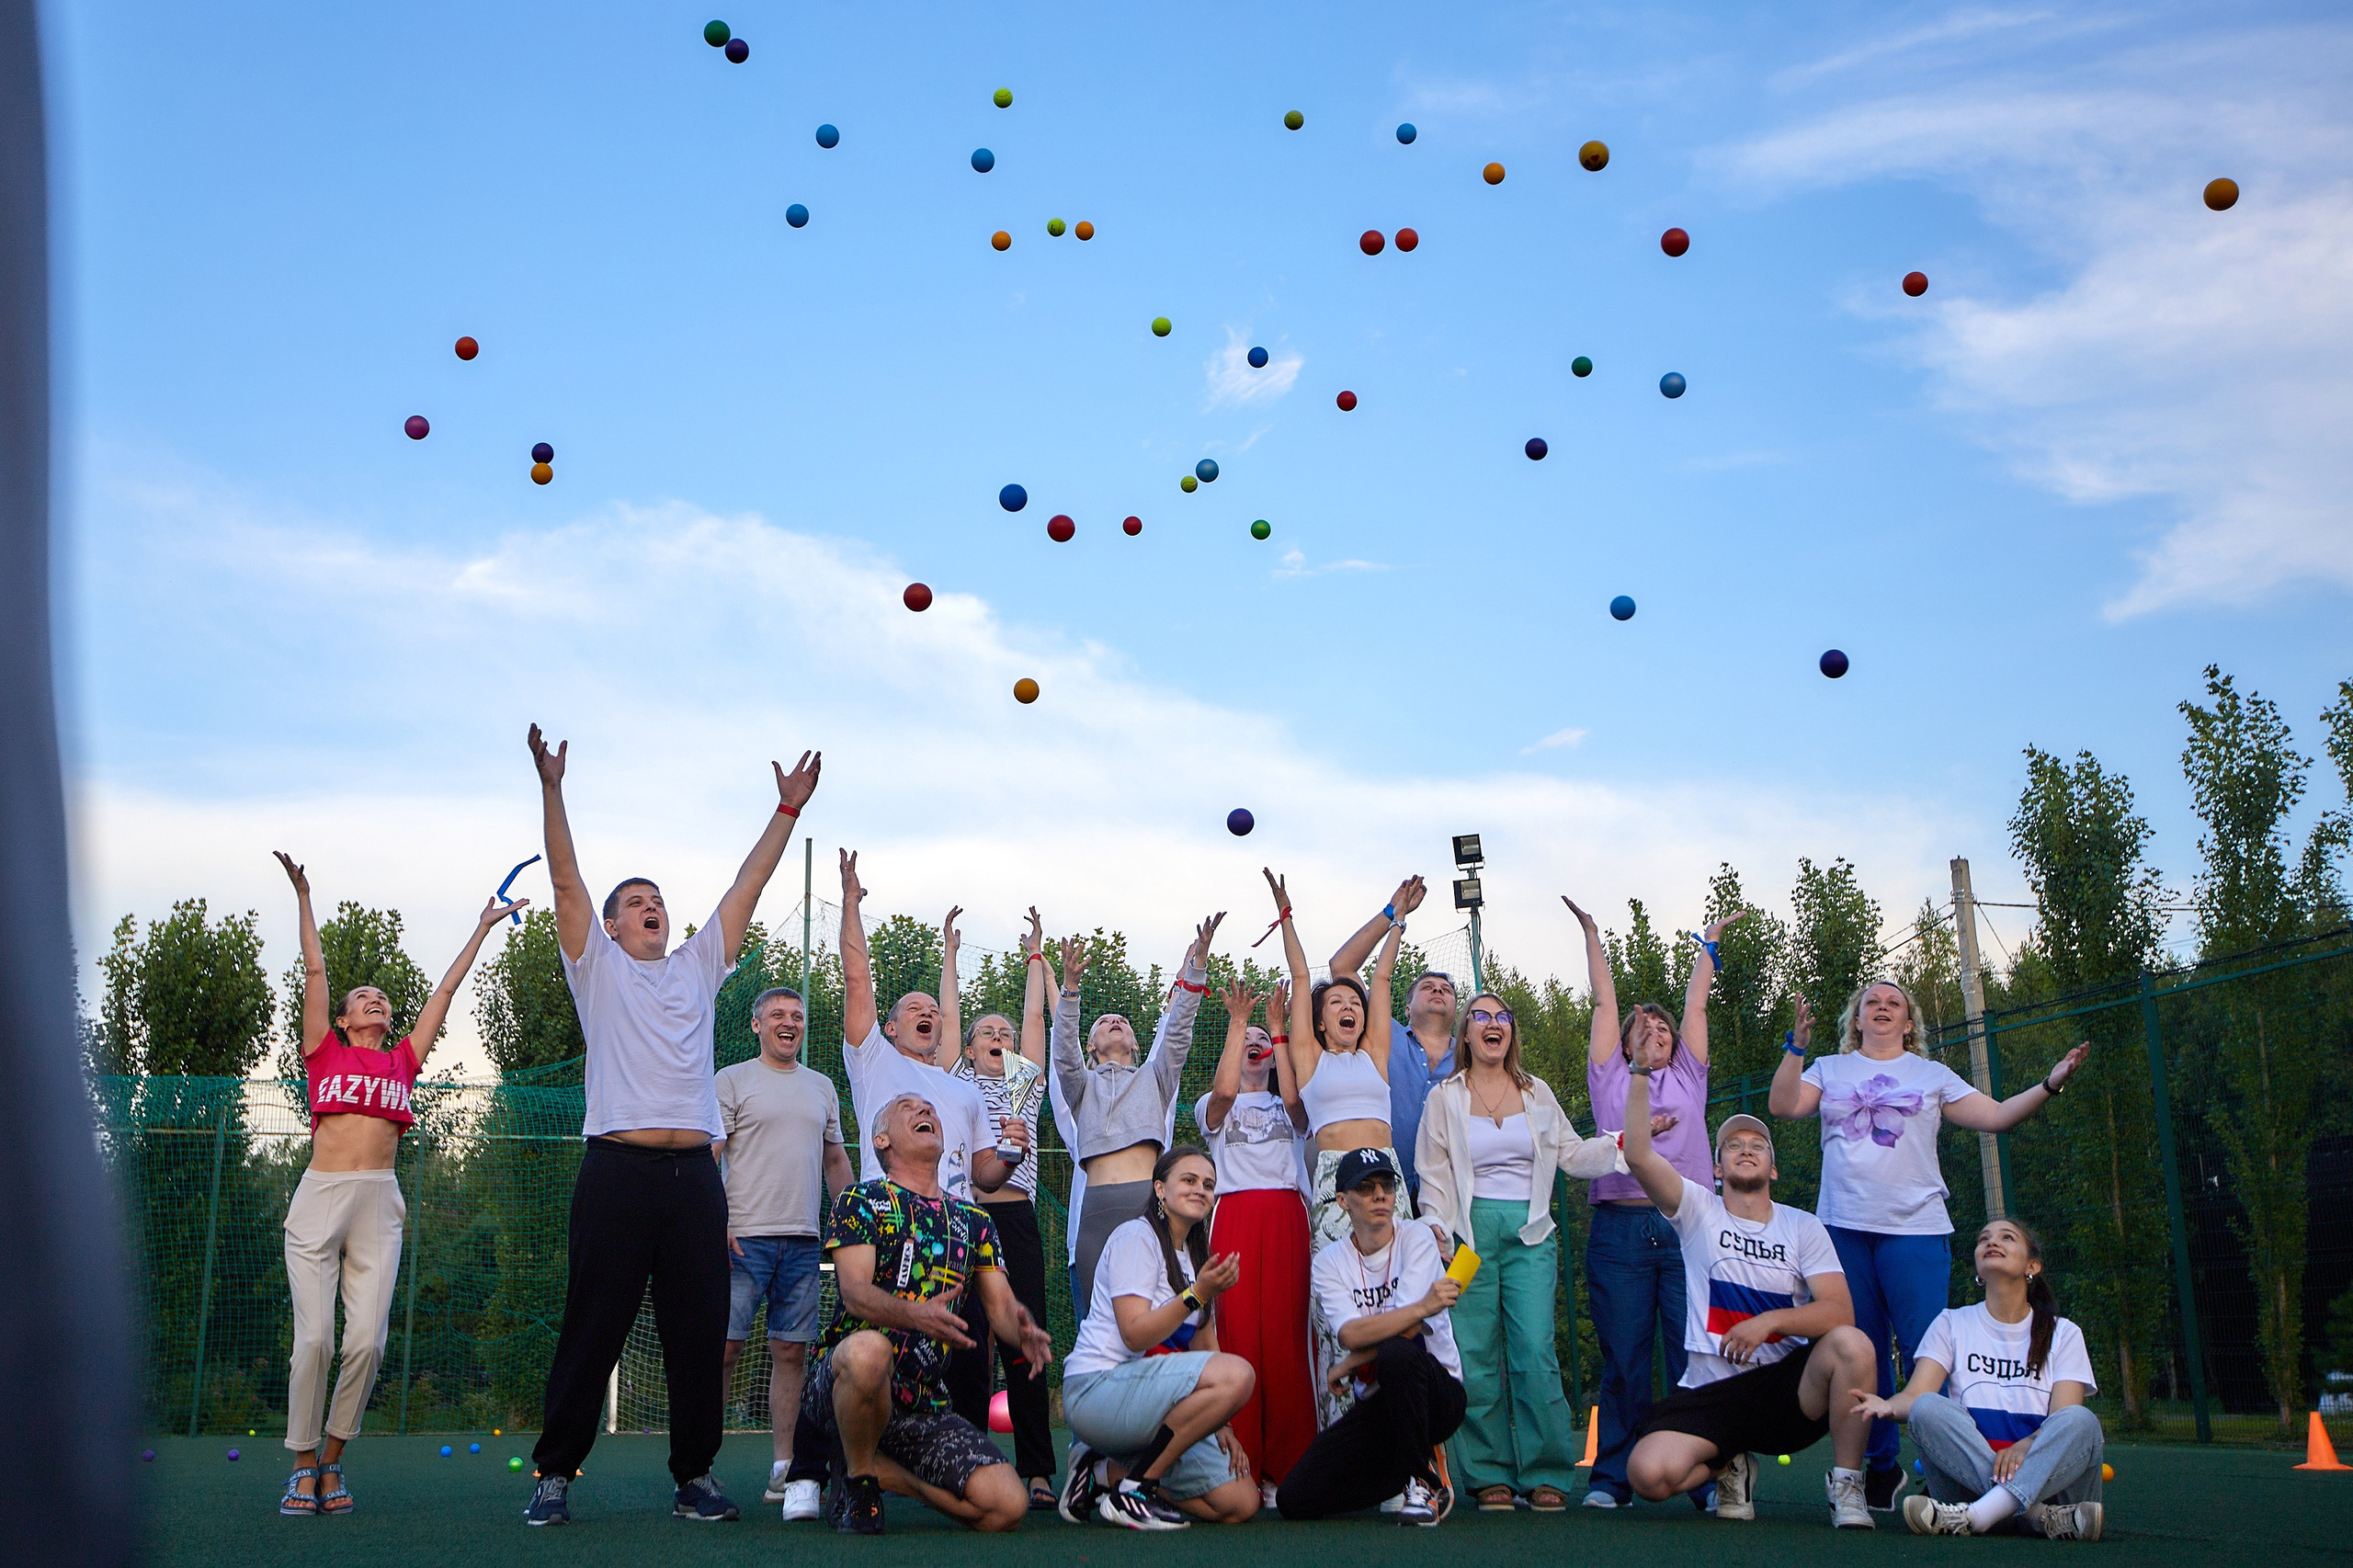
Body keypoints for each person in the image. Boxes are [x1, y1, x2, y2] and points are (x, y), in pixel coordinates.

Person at [521, 726, 822, 1528]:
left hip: (695, 1183)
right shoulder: (596, 966)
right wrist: (553, 788)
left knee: (698, 1338)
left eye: (657, 902)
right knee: (595, 1326)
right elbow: (565, 881)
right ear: (612, 928)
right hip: (616, 1172)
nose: (650, 909)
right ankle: (555, 1472)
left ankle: (695, 1476)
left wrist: (786, 812)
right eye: (635, 904)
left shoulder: (697, 964)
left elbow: (747, 886)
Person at [1768, 980, 2089, 1511]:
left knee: (1927, 1350)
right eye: (1872, 1002)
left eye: (1894, 1003)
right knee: (1859, 1350)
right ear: (1857, 1019)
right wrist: (1795, 1048)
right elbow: (1783, 1105)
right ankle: (1877, 1468)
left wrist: (2051, 1083)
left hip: (1916, 1229)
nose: (1883, 1008)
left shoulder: (1931, 1075)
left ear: (1910, 1022)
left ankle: (1948, 1469)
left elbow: (2000, 1116)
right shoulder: (1829, 1067)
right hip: (1842, 1230)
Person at [272, 853, 520, 1517]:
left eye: (382, 999)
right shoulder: (325, 1050)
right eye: (365, 1000)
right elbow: (316, 971)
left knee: (368, 1342)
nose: (376, 1003)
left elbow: (444, 992)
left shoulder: (403, 1061)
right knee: (316, 1340)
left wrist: (483, 928)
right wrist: (304, 895)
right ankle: (300, 1465)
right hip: (321, 1195)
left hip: (379, 1202)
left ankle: (332, 1460)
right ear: (347, 1019)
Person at [1618, 1064, 1880, 1528]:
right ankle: (1727, 1464)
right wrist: (1639, 1072)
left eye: (1757, 1145)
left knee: (1853, 1344)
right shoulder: (1698, 1209)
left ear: (1773, 1168)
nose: (1745, 1150)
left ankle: (1848, 1486)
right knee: (1647, 1476)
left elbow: (1840, 1311)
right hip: (1712, 1390)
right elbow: (1638, 1154)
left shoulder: (1803, 1226)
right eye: (1733, 1146)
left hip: (1784, 1392)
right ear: (1717, 1168)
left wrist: (1768, 1323)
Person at [1413, 991, 1630, 1512]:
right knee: (1476, 1356)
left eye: (1502, 1016)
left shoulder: (1537, 1094)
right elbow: (1433, 1172)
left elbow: (1574, 1154)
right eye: (1481, 1017)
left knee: (1534, 1350)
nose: (1493, 1024)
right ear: (1466, 1035)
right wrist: (1439, 1230)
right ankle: (1489, 1475)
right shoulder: (1445, 1096)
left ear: (1511, 1031)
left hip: (1531, 1232)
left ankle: (1547, 1470)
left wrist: (1626, 1142)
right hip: (1467, 1236)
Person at [804, 1094, 1055, 1536]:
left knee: (1007, 1507)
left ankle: (878, 1472)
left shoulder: (975, 1220)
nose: (926, 1112)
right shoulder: (861, 1201)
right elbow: (856, 1294)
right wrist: (915, 1315)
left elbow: (1001, 1307)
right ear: (881, 1139)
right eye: (908, 1108)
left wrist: (1024, 1328)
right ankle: (861, 1485)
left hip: (923, 1404)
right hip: (846, 1383)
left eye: (931, 1109)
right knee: (869, 1350)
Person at [836, 855, 1027, 1433]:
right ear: (890, 1028)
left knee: (970, 1353)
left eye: (934, 1012)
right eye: (913, 1009)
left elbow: (985, 1176)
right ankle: (846, 1472)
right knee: (874, 1351)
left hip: (955, 1234)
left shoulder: (959, 1091)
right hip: (890, 1231)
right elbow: (856, 977)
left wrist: (1009, 1154)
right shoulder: (873, 1062)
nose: (927, 1013)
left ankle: (963, 1460)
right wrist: (851, 905)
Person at [1563, 897, 1742, 1510]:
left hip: (1690, 1229)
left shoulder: (1691, 1076)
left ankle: (1705, 1479)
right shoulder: (1612, 1077)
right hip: (1619, 1234)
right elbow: (1605, 1002)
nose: (1657, 1034)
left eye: (1663, 1030)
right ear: (1626, 1044)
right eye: (1646, 1029)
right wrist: (1592, 936)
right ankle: (1612, 1478)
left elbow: (1695, 1003)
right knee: (1625, 1360)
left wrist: (1707, 950)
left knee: (1697, 1354)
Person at [1857, 1219, 2105, 1540]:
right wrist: (1887, 1405)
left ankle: (1980, 1515)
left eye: (2007, 1237)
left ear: (2032, 1265)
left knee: (2081, 1421)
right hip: (1969, 1489)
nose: (1992, 1242)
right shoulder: (1951, 1323)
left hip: (2052, 1490)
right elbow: (1916, 1396)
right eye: (1983, 1238)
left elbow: (2063, 1418)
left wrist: (2025, 1446)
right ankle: (2036, 1516)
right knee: (1928, 1407)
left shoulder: (2064, 1333)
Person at [1057, 1145, 1263, 1529]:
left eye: (1208, 1184)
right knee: (1240, 1373)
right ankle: (1136, 1490)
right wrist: (1196, 1294)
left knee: (1240, 1502)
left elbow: (1205, 1346)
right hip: (1097, 1392)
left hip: (1148, 1402)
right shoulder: (1136, 1237)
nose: (1200, 1189)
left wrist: (1223, 1425)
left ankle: (1103, 1475)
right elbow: (1135, 1335)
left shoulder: (1194, 1257)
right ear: (1159, 1189)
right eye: (1188, 1180)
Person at [715, 983, 854, 1520]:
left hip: (802, 1242)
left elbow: (836, 1161)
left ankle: (786, 1468)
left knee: (791, 1353)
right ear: (757, 1025)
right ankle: (700, 1463)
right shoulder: (731, 1080)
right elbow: (711, 1155)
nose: (788, 1022)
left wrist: (852, 1225)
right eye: (777, 1014)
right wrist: (715, 1219)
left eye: (796, 1015)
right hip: (740, 1240)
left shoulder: (821, 1087)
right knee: (723, 1351)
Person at [1278, 1149, 1467, 1526]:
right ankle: (1401, 1473)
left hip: (1438, 1394)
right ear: (1343, 1201)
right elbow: (1350, 1333)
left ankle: (1423, 1483)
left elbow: (1408, 1333)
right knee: (1295, 1499)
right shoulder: (1330, 1260)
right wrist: (1422, 1306)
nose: (1380, 1195)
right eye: (1366, 1187)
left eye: (1387, 1185)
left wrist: (1348, 1364)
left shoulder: (1417, 1237)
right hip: (1381, 1403)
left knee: (1398, 1351)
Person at [943, 906, 1060, 1509]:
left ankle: (1037, 1469)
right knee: (965, 1341)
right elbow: (951, 1020)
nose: (998, 1037)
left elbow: (1036, 1014)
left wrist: (1035, 956)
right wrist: (950, 957)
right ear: (967, 1048)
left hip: (1013, 1218)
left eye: (1005, 1033)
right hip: (964, 1218)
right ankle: (969, 1460)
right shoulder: (955, 1079)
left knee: (1023, 1337)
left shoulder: (1025, 1081)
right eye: (987, 1033)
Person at [1051, 911, 1222, 1310]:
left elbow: (1178, 1028)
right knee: (1100, 1324)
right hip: (1094, 1213)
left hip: (1147, 1204)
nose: (1115, 1022)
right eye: (1104, 1021)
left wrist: (1198, 966)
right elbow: (1062, 1053)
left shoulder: (1155, 1077)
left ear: (1134, 1042)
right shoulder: (1082, 1085)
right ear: (1090, 1045)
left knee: (1156, 1315)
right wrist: (1070, 989)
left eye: (1122, 1021)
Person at [1196, 977, 1314, 1506]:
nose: (1254, 1048)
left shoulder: (1289, 1104)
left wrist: (1278, 1029)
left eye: (1262, 1045)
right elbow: (1223, 1094)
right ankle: (1238, 1465)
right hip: (1237, 1217)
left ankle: (1290, 1468)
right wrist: (1239, 1025)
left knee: (1286, 1340)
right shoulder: (1211, 1107)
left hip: (1286, 1214)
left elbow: (1295, 1103)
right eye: (1245, 1044)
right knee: (1239, 1335)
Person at [1260, 869, 1410, 1245]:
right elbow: (1299, 976)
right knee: (1341, 1286)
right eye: (1336, 1003)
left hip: (1386, 1172)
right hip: (1336, 1177)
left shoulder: (1374, 1054)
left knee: (1402, 1279)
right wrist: (1286, 916)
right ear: (1321, 1022)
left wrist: (1399, 922)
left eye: (1354, 1003)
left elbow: (1381, 979)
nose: (1349, 1007)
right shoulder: (1311, 1059)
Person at [1325, 875, 1458, 1201]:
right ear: (1407, 1007)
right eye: (1427, 987)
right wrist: (1392, 912)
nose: (1438, 990)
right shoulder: (1386, 1035)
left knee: (1458, 1255)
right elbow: (1341, 965)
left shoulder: (1472, 1055)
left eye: (1446, 989)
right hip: (1385, 1189)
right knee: (1390, 1256)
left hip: (1451, 1192)